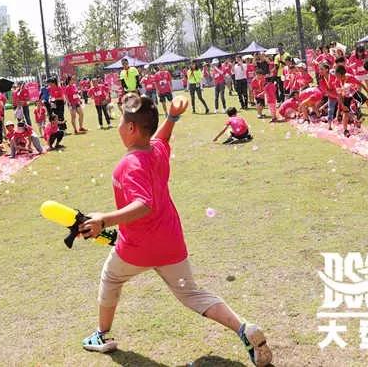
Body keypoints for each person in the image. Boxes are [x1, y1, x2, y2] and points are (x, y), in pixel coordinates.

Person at [77, 94, 272, 365]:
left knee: (111, 278)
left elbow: (143, 204)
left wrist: (103, 220)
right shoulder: (155, 150)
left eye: (121, 121)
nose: (119, 125)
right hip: (170, 244)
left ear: (131, 128)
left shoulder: (129, 165)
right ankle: (243, 328)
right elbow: (162, 139)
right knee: (192, 294)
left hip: (137, 250)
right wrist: (171, 118)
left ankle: (101, 335)